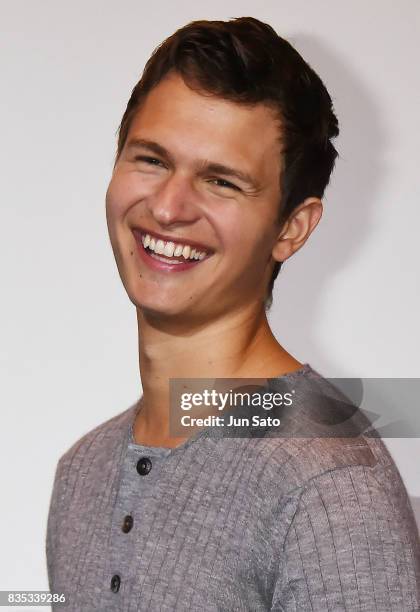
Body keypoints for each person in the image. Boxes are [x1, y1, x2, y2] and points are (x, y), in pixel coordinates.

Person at [46, 16, 420, 611]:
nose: (168, 209)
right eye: (151, 160)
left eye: (221, 181)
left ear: (292, 229)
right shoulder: (83, 473)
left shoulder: (329, 488)